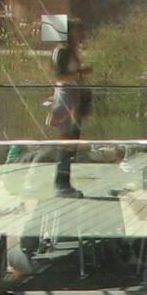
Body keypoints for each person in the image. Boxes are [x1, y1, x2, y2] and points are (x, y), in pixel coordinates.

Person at [47, 39, 92, 198]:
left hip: (73, 96)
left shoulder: (70, 50)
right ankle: (62, 184)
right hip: (67, 96)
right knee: (66, 143)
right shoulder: (62, 52)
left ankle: (65, 182)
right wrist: (81, 73)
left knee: (71, 143)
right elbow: (58, 76)